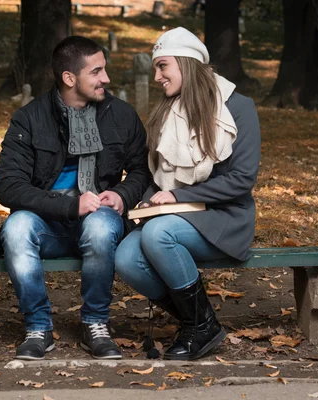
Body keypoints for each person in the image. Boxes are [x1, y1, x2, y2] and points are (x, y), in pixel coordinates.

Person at [0, 36, 151, 361]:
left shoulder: (121, 115)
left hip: (100, 221)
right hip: (49, 225)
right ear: (70, 78)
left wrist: (122, 194)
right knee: (15, 228)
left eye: (105, 70)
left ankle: (95, 325)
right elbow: (9, 187)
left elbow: (142, 170)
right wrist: (70, 205)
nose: (106, 79)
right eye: (96, 72)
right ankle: (38, 329)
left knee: (99, 227)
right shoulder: (29, 118)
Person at [115, 27, 261, 361]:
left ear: (185, 63)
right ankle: (199, 321)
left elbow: (241, 179)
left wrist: (176, 199)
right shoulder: (168, 110)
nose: (156, 76)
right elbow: (160, 175)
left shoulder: (238, 107)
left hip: (224, 218)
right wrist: (149, 198)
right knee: (125, 258)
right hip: (175, 216)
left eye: (163, 66)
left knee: (158, 232)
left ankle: (200, 328)